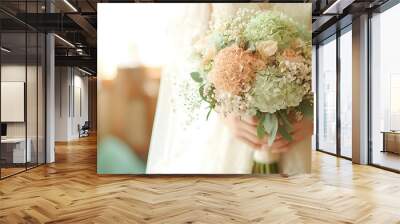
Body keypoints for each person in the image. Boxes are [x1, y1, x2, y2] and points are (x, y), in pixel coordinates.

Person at [146, 3, 312, 175]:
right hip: (230, 134)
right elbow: (185, 52)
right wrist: (223, 109)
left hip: (302, 136)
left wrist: (317, 119)